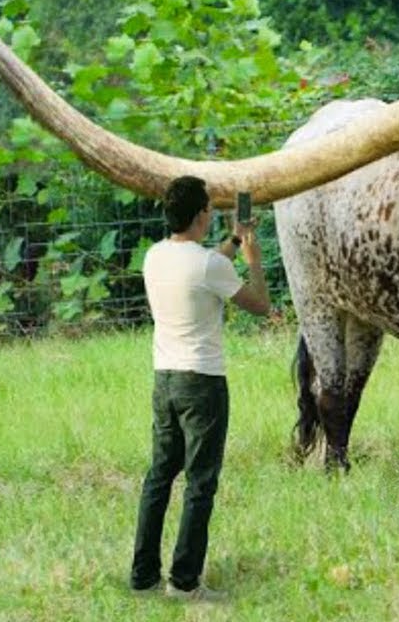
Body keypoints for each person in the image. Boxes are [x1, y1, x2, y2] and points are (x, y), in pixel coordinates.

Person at [129, 175, 270, 602]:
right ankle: (185, 582)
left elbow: (205, 269)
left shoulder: (155, 257)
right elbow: (260, 305)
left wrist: (231, 239)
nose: (211, 213)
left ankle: (143, 576)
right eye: (208, 209)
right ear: (198, 215)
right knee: (200, 483)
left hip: (165, 380)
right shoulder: (212, 266)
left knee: (159, 476)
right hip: (202, 384)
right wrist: (253, 254)